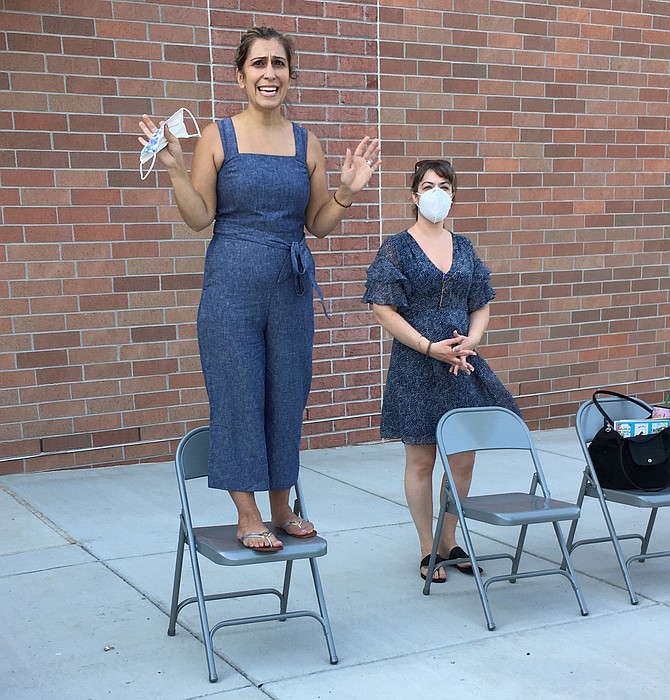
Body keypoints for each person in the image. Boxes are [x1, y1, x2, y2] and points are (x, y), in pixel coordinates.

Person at [138, 26, 380, 552]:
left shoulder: (306, 141)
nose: (269, 73)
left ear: (291, 74)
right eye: (258, 64)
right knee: (238, 393)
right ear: (240, 74)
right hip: (231, 283)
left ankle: (279, 504)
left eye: (279, 64)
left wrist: (345, 192)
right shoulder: (217, 135)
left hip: (290, 286)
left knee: (287, 395)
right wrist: (177, 171)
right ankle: (246, 510)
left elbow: (317, 224)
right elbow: (199, 217)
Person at [362, 159, 520, 582]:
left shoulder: (464, 246)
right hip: (417, 362)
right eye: (428, 185)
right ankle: (425, 548)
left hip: (460, 364)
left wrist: (473, 338)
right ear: (414, 196)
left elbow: (481, 300)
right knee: (421, 459)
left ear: (453, 194)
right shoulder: (396, 247)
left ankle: (449, 541)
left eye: (444, 185)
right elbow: (382, 307)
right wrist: (428, 347)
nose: (436, 193)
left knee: (463, 459)